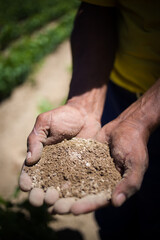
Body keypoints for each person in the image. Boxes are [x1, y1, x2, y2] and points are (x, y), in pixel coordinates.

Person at [19, 1, 160, 238]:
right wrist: (83, 104)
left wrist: (142, 119)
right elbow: (97, 7)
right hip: (116, 88)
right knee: (114, 218)